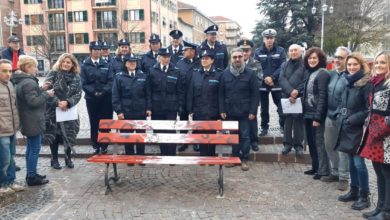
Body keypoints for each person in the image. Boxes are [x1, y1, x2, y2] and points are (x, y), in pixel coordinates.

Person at [335, 52, 371, 211]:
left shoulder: (366, 83)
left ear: (361, 65)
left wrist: (351, 119)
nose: (351, 67)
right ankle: (354, 190)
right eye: (349, 64)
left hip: (358, 128)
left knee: (359, 163)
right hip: (347, 126)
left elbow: (367, 109)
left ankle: (365, 196)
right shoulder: (348, 81)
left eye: (354, 64)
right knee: (351, 161)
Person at [10, 55, 53, 186]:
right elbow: (33, 101)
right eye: (35, 66)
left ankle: (31, 173)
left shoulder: (21, 81)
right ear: (28, 67)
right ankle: (32, 177)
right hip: (33, 119)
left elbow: (29, 95)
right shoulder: (29, 81)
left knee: (30, 148)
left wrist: (41, 89)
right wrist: (47, 94)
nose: (36, 69)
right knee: (34, 148)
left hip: (27, 119)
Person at [360, 51, 390, 219]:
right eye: (377, 62)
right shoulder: (376, 82)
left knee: (387, 173)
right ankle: (379, 207)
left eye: (383, 63)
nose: (378, 65)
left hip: (386, 136)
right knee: (379, 171)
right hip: (375, 133)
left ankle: (387, 211)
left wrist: (383, 127)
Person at [219, 48, 259, 171]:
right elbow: (221, 93)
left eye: (239, 57)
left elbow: (255, 94)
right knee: (233, 136)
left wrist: (253, 111)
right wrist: (222, 110)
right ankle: (235, 157)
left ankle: (244, 158)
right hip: (230, 111)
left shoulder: (251, 73)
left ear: (243, 57)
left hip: (245, 112)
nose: (237, 59)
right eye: (235, 57)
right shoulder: (225, 73)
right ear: (231, 58)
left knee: (245, 136)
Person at [43, 53, 82, 169]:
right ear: (60, 63)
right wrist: (58, 102)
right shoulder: (53, 74)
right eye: (63, 62)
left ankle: (68, 158)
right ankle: (54, 159)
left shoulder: (76, 77)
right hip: (53, 110)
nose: (65, 64)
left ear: (72, 64)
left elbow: (78, 93)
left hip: (69, 110)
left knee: (69, 134)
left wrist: (68, 102)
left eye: (68, 62)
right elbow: (48, 89)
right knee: (54, 135)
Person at [112, 54, 151, 161]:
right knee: (127, 136)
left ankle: (140, 157)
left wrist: (148, 108)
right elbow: (115, 96)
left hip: (140, 111)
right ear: (125, 64)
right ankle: (129, 157)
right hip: (126, 111)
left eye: (134, 62)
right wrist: (119, 111)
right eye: (130, 62)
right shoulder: (119, 77)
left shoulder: (143, 76)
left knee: (140, 135)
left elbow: (148, 94)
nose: (133, 63)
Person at [322, 46, 351, 191]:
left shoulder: (350, 76)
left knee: (342, 149)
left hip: (342, 118)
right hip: (329, 115)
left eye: (341, 58)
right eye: (336, 57)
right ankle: (334, 172)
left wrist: (341, 113)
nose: (337, 60)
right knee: (329, 145)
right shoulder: (331, 74)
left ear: (347, 59)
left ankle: (343, 177)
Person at [149, 48, 184, 156]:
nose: (166, 59)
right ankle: (164, 153)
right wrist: (149, 107)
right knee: (160, 131)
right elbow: (149, 91)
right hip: (157, 107)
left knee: (171, 131)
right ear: (159, 58)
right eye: (164, 57)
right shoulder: (152, 71)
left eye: (168, 56)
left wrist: (180, 106)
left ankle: (172, 154)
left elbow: (180, 91)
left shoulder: (176, 71)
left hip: (171, 107)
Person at [302, 47, 330, 179]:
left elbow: (323, 97)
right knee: (311, 142)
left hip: (316, 115)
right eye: (310, 58)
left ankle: (323, 170)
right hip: (308, 113)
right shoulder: (310, 72)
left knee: (319, 143)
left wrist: (318, 117)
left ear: (320, 59)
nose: (312, 60)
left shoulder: (322, 73)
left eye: (314, 58)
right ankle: (315, 167)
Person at [187, 50, 222, 156]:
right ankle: (202, 156)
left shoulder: (219, 74)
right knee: (201, 135)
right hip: (199, 111)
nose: (204, 60)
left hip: (212, 111)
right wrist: (190, 109)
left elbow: (221, 95)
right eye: (202, 58)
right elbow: (190, 93)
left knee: (212, 136)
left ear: (212, 60)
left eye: (206, 58)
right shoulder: (195, 74)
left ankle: (211, 156)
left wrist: (221, 112)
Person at [80, 41, 113, 155]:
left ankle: (104, 146)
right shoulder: (85, 65)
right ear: (91, 51)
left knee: (106, 123)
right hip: (91, 99)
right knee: (94, 123)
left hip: (105, 99)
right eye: (95, 50)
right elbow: (83, 83)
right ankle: (95, 145)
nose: (98, 52)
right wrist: (94, 92)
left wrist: (103, 92)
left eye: (99, 50)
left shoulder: (107, 64)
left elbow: (110, 80)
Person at [254, 29, 286, 136]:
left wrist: (272, 78)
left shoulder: (280, 51)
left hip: (276, 83)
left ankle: (282, 125)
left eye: (271, 38)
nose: (269, 40)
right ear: (264, 39)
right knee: (264, 107)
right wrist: (264, 78)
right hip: (263, 84)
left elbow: (283, 66)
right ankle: (264, 127)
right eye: (267, 38)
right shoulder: (258, 51)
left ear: (274, 39)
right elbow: (256, 67)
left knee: (280, 105)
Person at [0, 59, 24, 195]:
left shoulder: (10, 84)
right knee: (4, 159)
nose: (8, 74)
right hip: (1, 130)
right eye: (4, 71)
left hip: (12, 128)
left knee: (12, 157)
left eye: (9, 71)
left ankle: (11, 181)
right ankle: (2, 184)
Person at [278, 44, 305, 156]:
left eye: (295, 50)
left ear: (300, 52)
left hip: (300, 96)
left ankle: (298, 146)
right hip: (287, 97)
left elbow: (305, 80)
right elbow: (281, 79)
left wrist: (296, 91)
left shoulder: (305, 65)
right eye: (291, 50)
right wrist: (290, 91)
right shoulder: (284, 64)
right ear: (288, 52)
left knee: (298, 122)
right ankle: (287, 144)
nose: (293, 52)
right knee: (287, 121)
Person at [237, 39, 263, 152]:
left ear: (251, 51)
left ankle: (254, 141)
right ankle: (239, 142)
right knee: (240, 120)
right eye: (242, 50)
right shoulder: (234, 63)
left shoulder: (256, 64)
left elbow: (259, 80)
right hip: (238, 98)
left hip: (252, 97)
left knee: (252, 119)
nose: (244, 53)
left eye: (247, 50)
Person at [176, 41, 201, 152]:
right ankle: (184, 141)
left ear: (192, 51)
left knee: (196, 120)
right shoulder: (179, 63)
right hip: (183, 96)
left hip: (196, 96)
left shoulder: (200, 62)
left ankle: (196, 141)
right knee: (183, 119)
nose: (184, 52)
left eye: (186, 50)